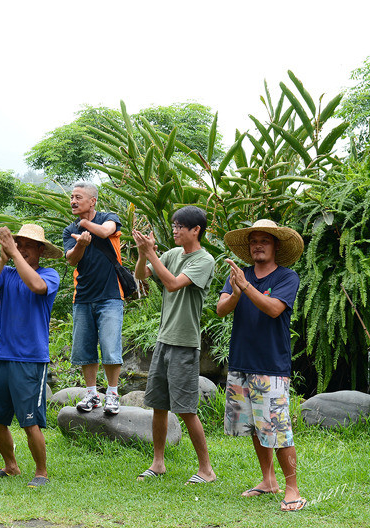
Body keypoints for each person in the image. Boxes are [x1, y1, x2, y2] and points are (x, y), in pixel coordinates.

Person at [216, 219, 306, 511]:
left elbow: (273, 309)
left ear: (276, 246)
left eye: (264, 241)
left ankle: (292, 490)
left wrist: (245, 287)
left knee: (278, 428)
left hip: (271, 365)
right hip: (241, 361)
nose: (257, 245)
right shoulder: (237, 276)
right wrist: (238, 291)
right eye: (253, 241)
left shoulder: (287, 277)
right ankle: (268, 481)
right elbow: (221, 309)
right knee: (256, 427)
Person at [132, 206, 216, 485]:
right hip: (164, 340)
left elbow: (172, 284)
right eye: (174, 226)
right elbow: (142, 276)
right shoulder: (172, 254)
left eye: (180, 226)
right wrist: (145, 252)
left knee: (186, 409)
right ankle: (158, 463)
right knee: (158, 405)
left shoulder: (204, 260)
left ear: (196, 230)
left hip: (184, 343)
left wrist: (153, 253)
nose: (176, 230)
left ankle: (206, 469)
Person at [0, 224, 61, 488]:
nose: (21, 249)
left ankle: (41, 472)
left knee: (29, 420)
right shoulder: (8, 272)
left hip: (31, 359)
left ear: (40, 250)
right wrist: (3, 258)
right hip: (4, 356)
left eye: (26, 245)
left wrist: (12, 254)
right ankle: (10, 466)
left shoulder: (49, 275)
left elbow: (36, 286)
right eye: (18, 243)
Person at [63, 181, 124, 414]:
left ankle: (113, 394)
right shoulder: (70, 230)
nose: (73, 201)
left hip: (110, 295)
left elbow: (107, 231)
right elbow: (71, 259)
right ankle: (91, 394)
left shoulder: (109, 217)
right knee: (85, 348)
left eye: (78, 197)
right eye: (71, 197)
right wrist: (80, 243)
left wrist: (85, 224)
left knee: (110, 347)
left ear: (92, 201)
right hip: (83, 297)